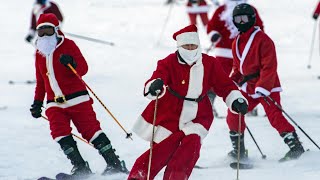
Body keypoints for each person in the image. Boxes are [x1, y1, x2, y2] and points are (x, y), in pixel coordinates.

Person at [128, 24, 248, 180]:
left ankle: (176, 177)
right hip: (170, 111)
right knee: (162, 149)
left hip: (198, 114)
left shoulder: (210, 63)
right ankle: (139, 175)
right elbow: (158, 77)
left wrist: (235, 99)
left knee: (191, 145)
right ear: (179, 46)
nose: (190, 49)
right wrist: (155, 84)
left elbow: (225, 85)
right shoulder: (168, 61)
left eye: (193, 45)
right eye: (186, 45)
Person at [29, 13, 128, 178]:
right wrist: (38, 102)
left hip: (77, 98)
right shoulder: (40, 54)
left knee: (90, 130)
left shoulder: (68, 45)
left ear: (56, 30)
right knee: (59, 132)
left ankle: (114, 163)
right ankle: (80, 167)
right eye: (41, 32)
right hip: (54, 103)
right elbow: (41, 81)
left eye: (48, 30)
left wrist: (72, 63)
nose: (45, 35)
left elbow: (83, 69)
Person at [227, 3, 305, 162]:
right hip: (248, 87)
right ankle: (239, 150)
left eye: (244, 18)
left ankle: (296, 147)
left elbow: (269, 66)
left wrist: (262, 87)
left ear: (252, 19)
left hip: (267, 86)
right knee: (234, 112)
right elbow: (237, 67)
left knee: (275, 116)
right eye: (238, 19)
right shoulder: (236, 42)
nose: (241, 22)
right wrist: (231, 82)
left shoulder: (263, 40)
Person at [206, 0, 263, 116]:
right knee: (217, 78)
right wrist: (213, 34)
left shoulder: (251, 10)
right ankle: (207, 105)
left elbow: (259, 27)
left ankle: (248, 106)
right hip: (224, 51)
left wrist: (258, 43)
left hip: (246, 52)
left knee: (247, 79)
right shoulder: (221, 10)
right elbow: (212, 26)